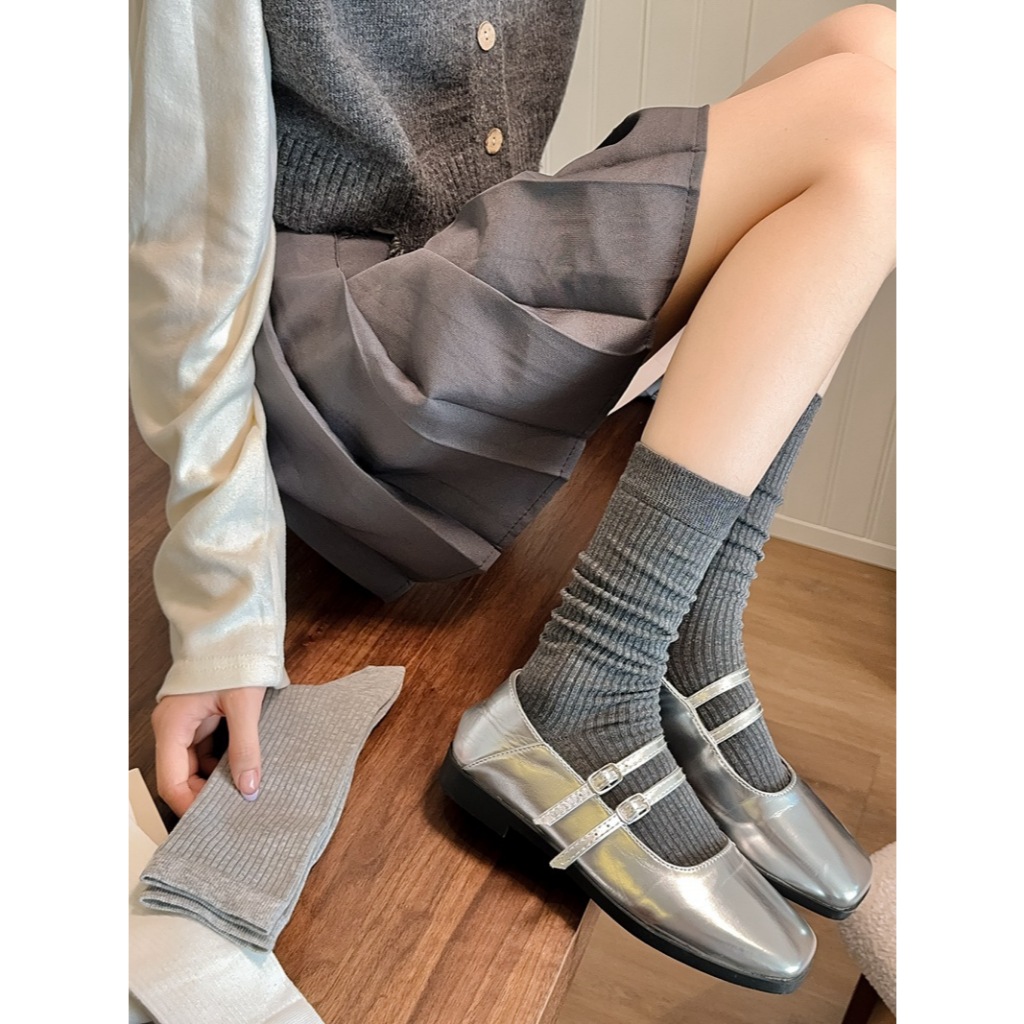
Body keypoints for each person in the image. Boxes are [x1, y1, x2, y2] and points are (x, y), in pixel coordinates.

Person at [129, 0, 894, 993]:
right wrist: (219, 618)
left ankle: (690, 635)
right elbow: (183, 249)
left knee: (881, 50)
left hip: (465, 271)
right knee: (872, 124)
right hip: (350, 365)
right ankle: (589, 680)